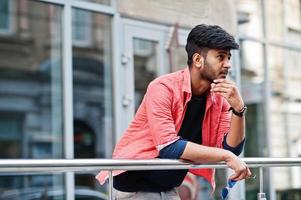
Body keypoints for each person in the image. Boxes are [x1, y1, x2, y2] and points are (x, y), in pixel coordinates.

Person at [96, 24, 251, 199]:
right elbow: (168, 146)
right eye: (221, 57)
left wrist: (239, 109)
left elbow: (231, 148)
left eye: (229, 58)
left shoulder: (219, 98)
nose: (228, 65)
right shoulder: (163, 87)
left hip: (168, 187)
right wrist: (227, 156)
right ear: (198, 60)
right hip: (134, 186)